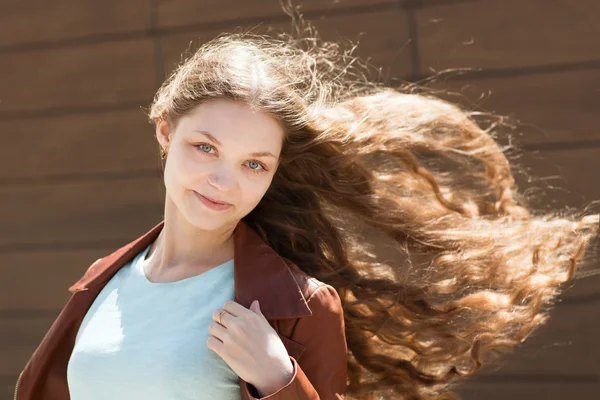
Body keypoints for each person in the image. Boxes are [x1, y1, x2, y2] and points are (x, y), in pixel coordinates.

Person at [13, 8, 600, 400]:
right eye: (205, 147)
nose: (223, 181)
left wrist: (278, 378)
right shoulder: (103, 284)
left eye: (253, 164)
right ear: (165, 134)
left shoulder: (299, 307)